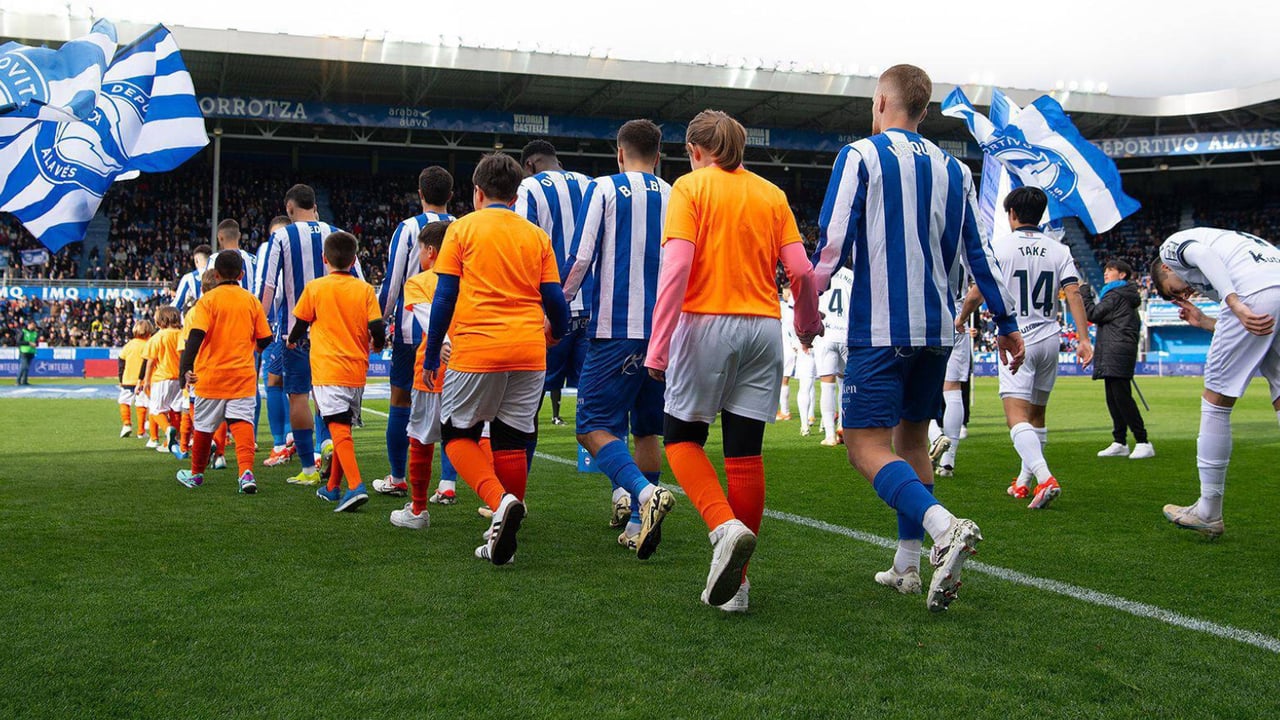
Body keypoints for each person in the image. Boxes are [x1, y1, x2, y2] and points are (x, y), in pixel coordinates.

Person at [813, 64, 1024, 612]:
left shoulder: (860, 155)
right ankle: (907, 565)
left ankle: (943, 526)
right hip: (938, 330)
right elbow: (979, 253)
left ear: (881, 101)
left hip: (882, 328)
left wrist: (809, 300)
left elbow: (832, 243)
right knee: (911, 441)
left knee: (864, 447)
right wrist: (1005, 323)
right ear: (925, 111)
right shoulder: (956, 169)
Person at [645, 109, 822, 611]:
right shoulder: (772, 194)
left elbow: (677, 267)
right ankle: (737, 588)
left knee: (681, 439)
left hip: (706, 322)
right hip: (764, 328)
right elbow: (801, 272)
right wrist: (806, 324)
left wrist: (658, 346)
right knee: (744, 454)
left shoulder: (689, 188)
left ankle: (723, 527)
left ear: (695, 151)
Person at [422, 152, 570, 565]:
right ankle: (504, 531)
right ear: (516, 195)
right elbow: (555, 299)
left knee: (457, 436)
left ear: (477, 193)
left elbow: (445, 297)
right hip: (529, 351)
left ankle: (500, 502)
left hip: (478, 348)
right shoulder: (536, 235)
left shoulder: (462, 229)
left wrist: (432, 353)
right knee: (512, 440)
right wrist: (556, 334)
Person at [562, 119, 675, 555]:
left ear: (620, 153)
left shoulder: (604, 188)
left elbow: (580, 257)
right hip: (663, 333)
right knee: (647, 430)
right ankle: (637, 523)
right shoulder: (674, 194)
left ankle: (645, 496)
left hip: (616, 330)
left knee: (591, 426)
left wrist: (556, 308)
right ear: (658, 156)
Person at [958, 187, 1093, 509]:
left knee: (1016, 417)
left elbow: (978, 291)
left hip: (1017, 337)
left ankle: (1045, 478)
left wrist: (961, 317)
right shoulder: (1059, 249)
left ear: (1012, 214)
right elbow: (1074, 293)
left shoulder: (1000, 247)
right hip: (1050, 338)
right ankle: (1023, 482)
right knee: (1037, 415)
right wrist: (1084, 338)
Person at [1150, 227, 1280, 539]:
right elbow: (1251, 324)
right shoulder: (1232, 252)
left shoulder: (1170, 248)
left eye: (1174, 291)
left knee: (1216, 401)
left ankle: (1208, 510)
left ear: (1166, 267)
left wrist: (1233, 303)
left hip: (1253, 292)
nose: (1183, 295)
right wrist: (1206, 321)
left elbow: (1201, 254)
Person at [259, 185, 361, 486]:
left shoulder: (282, 236)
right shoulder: (337, 232)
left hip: (296, 332)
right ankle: (327, 443)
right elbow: (358, 280)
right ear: (314, 206)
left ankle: (308, 468)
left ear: (289, 208)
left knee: (299, 396)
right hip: (334, 333)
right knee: (327, 394)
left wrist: (259, 326)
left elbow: (268, 286)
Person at [288, 231, 385, 513]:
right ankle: (332, 486)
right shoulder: (365, 290)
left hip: (328, 369)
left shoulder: (315, 288)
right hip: (356, 371)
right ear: (354, 260)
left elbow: (300, 323)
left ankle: (355, 485)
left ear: (324, 259)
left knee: (338, 428)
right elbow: (377, 327)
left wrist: (292, 341)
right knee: (344, 429)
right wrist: (378, 344)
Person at [375, 167, 455, 498]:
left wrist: (377, 323)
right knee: (452, 405)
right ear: (451, 195)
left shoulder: (408, 228)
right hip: (454, 331)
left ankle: (397, 477)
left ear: (420, 194)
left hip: (412, 331)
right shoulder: (462, 227)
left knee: (400, 399)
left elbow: (393, 281)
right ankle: (448, 483)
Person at [175, 251, 273, 493]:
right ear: (241, 274)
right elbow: (265, 338)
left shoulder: (207, 301)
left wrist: (185, 368)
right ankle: (246, 473)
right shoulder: (251, 300)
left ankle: (196, 474)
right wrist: (252, 349)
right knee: (242, 423)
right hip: (243, 376)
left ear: (216, 275)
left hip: (211, 377)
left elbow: (195, 336)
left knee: (204, 427)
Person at [515, 140, 592, 435]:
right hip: (593, 309)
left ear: (529, 165)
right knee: (597, 402)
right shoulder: (591, 184)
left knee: (528, 402)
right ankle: (602, 460)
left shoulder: (529, 188)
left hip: (550, 311)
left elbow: (523, 245)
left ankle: (522, 458)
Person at [390, 220, 451, 528]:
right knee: (475, 438)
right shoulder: (472, 278)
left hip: (434, 370)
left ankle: (418, 509)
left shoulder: (420, 281)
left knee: (422, 438)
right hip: (474, 367)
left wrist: (444, 345)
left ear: (430, 251)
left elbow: (430, 319)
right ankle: (499, 502)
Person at [1085, 259, 1154, 459]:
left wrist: (1084, 293)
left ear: (1122, 275)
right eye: (1105, 269)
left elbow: (1093, 314)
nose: (1106, 273)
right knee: (1114, 398)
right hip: (1115, 350)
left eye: (1111, 270)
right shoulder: (1121, 295)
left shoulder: (1116, 295)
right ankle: (1120, 441)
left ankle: (1142, 441)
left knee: (1121, 398)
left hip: (1117, 350)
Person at [259, 215, 295, 467]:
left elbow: (270, 290)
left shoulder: (270, 248)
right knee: (305, 388)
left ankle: (281, 443)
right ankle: (315, 449)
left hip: (281, 328)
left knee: (273, 382)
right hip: (312, 327)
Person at [815, 263, 853, 447]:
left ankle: (830, 435)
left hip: (826, 334)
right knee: (846, 384)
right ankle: (844, 427)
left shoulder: (819, 274)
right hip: (847, 335)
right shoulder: (851, 276)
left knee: (827, 385)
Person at [142, 305, 185, 456]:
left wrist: (146, 380)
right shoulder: (182, 334)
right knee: (176, 410)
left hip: (161, 378)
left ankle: (167, 430)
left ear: (160, 320)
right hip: (179, 379)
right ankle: (172, 442)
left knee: (156, 410)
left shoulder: (157, 337)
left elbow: (150, 362)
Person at [116, 320, 152, 438]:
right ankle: (141, 431)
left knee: (124, 401)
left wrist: (121, 379)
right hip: (142, 381)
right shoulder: (148, 345)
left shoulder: (129, 345)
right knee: (142, 404)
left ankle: (126, 424)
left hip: (127, 379)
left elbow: (121, 362)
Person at [171, 244, 213, 309]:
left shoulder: (189, 278)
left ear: (196, 260)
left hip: (200, 313)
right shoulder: (220, 276)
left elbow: (177, 305)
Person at [16, 321, 37, 386]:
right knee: (23, 366)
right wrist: (28, 343)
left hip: (31, 351)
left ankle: (24, 381)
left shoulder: (35, 333)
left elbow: (35, 341)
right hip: (24, 351)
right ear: (29, 325)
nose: (34, 326)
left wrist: (35, 344)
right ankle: (18, 380)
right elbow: (18, 341)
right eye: (33, 325)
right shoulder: (23, 331)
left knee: (27, 367)